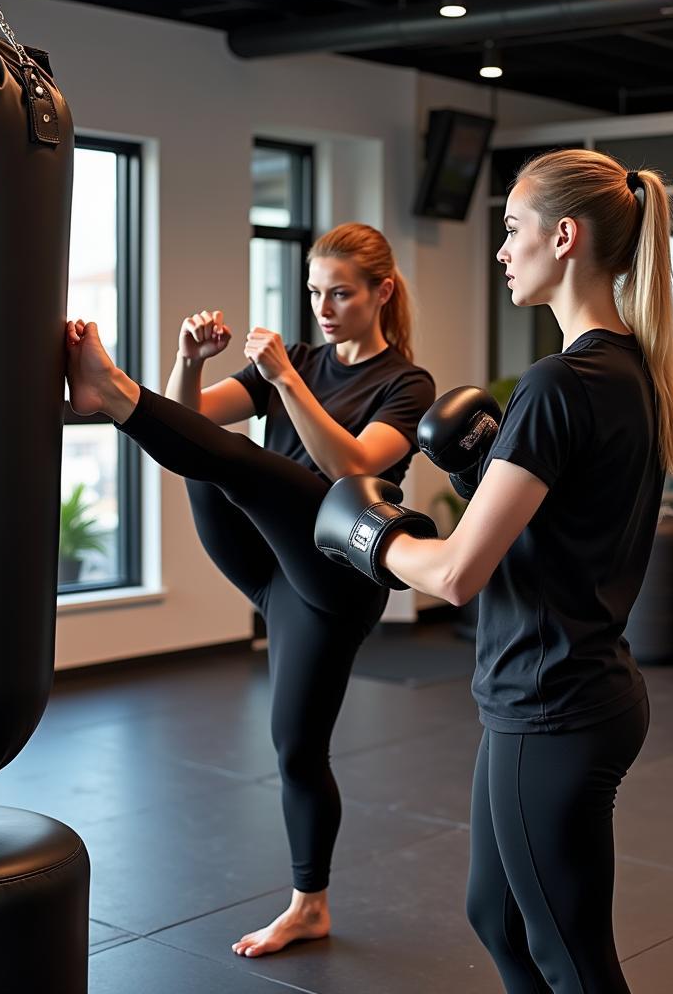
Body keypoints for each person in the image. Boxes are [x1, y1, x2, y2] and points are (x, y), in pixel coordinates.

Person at [315, 150, 673, 993]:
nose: (500, 249)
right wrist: (471, 474)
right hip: (567, 689)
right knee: (498, 918)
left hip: (551, 702)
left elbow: (454, 575)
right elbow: (556, 526)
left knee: (572, 957)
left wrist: (365, 535)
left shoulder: (559, 384)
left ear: (564, 237)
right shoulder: (628, 373)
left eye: (512, 229)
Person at [64, 223, 436, 958]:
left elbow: (353, 468)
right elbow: (190, 424)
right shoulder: (294, 357)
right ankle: (113, 392)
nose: (323, 309)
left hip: (336, 572)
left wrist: (289, 384)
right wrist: (186, 361)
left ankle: (308, 907)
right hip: (267, 567)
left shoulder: (406, 384)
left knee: (298, 749)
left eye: (340, 294)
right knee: (216, 461)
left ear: (381, 293)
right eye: (313, 293)